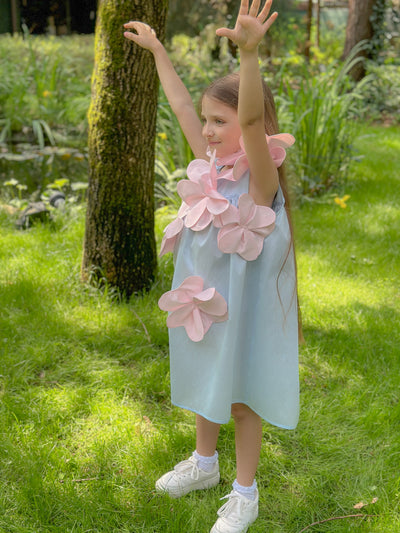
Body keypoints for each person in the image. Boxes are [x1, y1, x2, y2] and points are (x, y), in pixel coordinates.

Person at [124, 1, 300, 531]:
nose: (207, 129)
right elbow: (179, 104)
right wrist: (158, 51)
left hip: (244, 313)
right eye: (207, 120)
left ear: (253, 128)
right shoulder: (211, 168)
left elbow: (247, 117)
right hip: (207, 303)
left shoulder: (260, 179)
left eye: (217, 121)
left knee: (240, 397)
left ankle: (245, 494)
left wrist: (249, 55)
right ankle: (204, 463)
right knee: (206, 381)